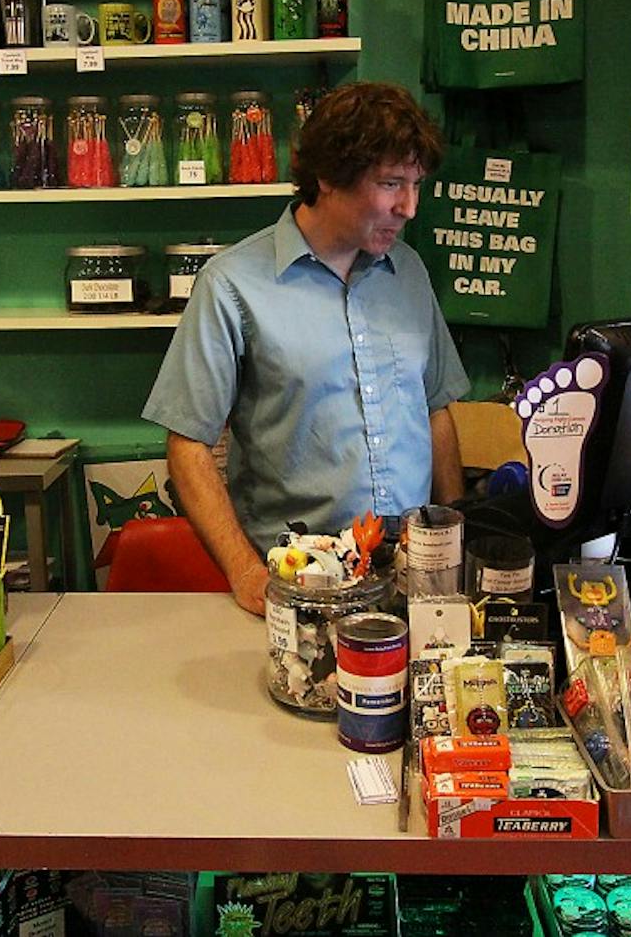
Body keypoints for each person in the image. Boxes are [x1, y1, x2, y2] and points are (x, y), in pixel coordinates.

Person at [144, 82, 469, 615]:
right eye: (391, 183)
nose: (408, 207)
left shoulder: (407, 271)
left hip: (412, 578)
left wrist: (455, 540)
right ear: (328, 177)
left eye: (415, 184)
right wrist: (243, 571)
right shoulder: (232, 285)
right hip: (299, 582)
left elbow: (434, 408)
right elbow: (188, 446)